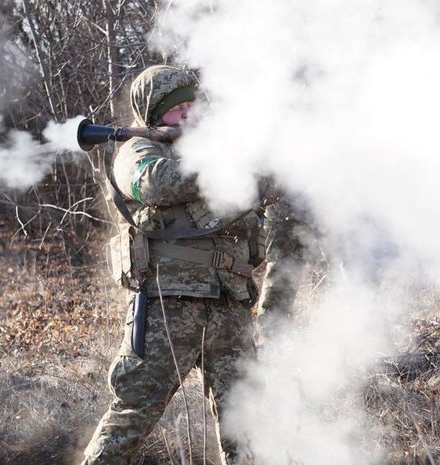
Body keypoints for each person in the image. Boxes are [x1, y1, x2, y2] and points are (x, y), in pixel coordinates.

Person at [81, 65, 267, 465]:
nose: (186, 114)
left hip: (229, 302)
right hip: (169, 303)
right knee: (135, 413)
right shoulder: (136, 150)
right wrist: (221, 160)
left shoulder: (220, 149)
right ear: (152, 112)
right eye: (174, 108)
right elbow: (157, 184)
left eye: (191, 105)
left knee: (246, 419)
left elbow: (258, 213)